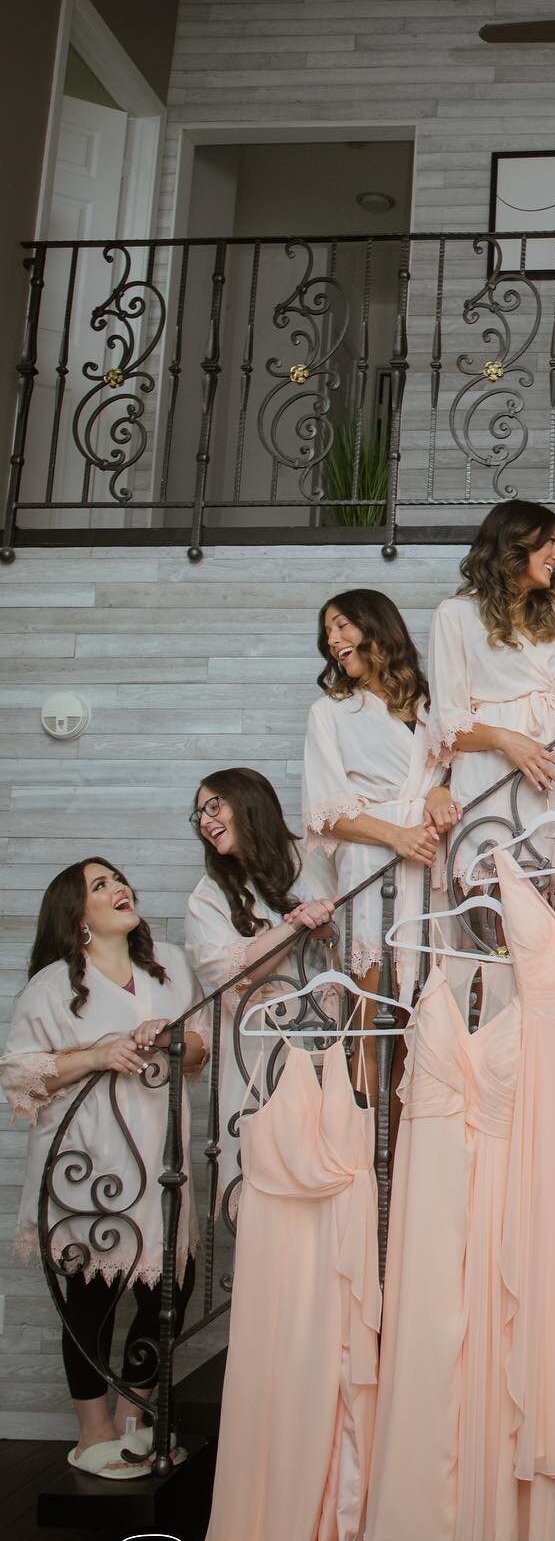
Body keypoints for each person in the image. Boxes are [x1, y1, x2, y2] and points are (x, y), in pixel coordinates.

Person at [1, 859, 206, 1478]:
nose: (120, 889)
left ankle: (136, 1420)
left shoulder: (167, 968)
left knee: (172, 1288)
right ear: (76, 913)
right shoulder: (51, 986)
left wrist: (172, 1038)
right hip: (87, 1166)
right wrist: (94, 1056)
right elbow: (18, 1074)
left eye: (119, 880)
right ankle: (93, 1434)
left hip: (160, 1159)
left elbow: (199, 1046)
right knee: (91, 1300)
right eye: (100, 886)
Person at [185, 769, 334, 1216]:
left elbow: (354, 934)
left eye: (215, 805)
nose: (206, 821)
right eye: (199, 814)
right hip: (257, 1055)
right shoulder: (207, 897)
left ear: (249, 801)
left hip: (330, 1042)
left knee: (328, 1174)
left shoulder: (315, 856)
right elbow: (231, 974)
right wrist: (296, 924)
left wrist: (327, 928)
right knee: (262, 1185)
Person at [427, 501, 555, 895]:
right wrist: (507, 740)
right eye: (549, 542)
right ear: (515, 543)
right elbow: (447, 724)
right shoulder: (455, 615)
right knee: (500, 897)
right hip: (492, 772)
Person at [303, 588, 458, 1001]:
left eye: (341, 626)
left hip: (431, 857)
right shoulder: (330, 712)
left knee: (426, 1017)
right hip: (374, 863)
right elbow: (327, 813)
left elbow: (458, 768)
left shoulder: (431, 703)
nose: (333, 640)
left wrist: (441, 791)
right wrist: (396, 836)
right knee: (374, 1018)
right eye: (327, 634)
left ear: (377, 626)